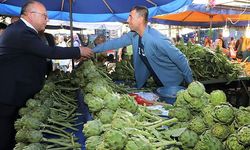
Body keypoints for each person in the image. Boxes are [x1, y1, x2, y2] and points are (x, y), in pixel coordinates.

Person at [0, 1, 93, 149]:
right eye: (44, 16)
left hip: (14, 93)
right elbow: (49, 51)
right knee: (5, 137)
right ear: (31, 15)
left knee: (11, 135)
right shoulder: (21, 32)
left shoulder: (23, 31)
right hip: (9, 95)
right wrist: (78, 51)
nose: (47, 20)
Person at [93, 6, 193, 88]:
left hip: (174, 85)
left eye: (130, 16)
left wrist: (191, 85)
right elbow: (115, 43)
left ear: (140, 19)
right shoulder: (134, 35)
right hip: (158, 83)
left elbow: (181, 59)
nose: (127, 20)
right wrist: (92, 50)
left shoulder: (157, 40)